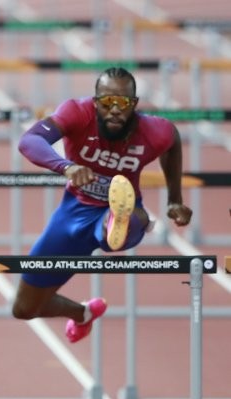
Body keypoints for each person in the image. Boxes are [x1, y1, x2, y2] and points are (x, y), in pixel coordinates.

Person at [13, 66, 191, 342]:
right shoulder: (76, 113)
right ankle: (83, 313)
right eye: (108, 102)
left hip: (127, 213)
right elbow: (30, 140)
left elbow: (173, 141)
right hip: (73, 214)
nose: (116, 110)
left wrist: (175, 200)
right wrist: (66, 167)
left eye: (124, 103)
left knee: (116, 232)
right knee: (24, 308)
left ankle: (117, 218)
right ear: (96, 102)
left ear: (134, 105)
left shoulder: (154, 131)